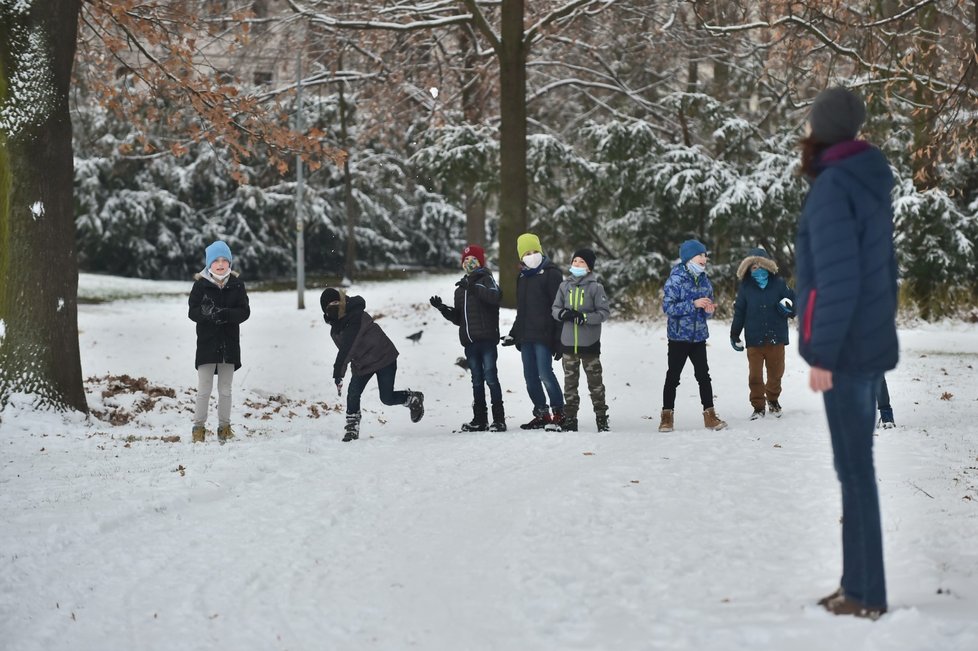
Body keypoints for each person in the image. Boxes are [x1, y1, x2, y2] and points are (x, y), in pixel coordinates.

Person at [796, 87, 899, 620]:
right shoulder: (865, 179)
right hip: (865, 343)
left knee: (855, 471)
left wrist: (824, 353)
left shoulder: (836, 186)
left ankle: (866, 594)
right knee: (856, 470)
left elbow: (837, 280)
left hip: (848, 350)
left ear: (822, 128)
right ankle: (857, 584)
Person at [321, 288, 424, 442]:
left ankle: (412, 399)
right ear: (325, 310)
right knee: (353, 393)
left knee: (387, 398)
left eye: (337, 302)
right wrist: (343, 370)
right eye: (330, 305)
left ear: (343, 302)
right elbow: (347, 352)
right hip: (362, 364)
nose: (335, 306)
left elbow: (349, 345)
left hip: (383, 357)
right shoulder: (335, 331)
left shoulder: (356, 316)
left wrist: (338, 371)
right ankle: (352, 426)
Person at [430, 244, 506, 432]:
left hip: (487, 339)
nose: (469, 263)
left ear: (480, 262)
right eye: (465, 260)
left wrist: (472, 287)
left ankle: (499, 419)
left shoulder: (487, 279)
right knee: (477, 380)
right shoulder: (460, 289)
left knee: (491, 378)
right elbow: (459, 318)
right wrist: (443, 309)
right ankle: (480, 419)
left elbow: (495, 297)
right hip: (470, 342)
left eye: (473, 260)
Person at [658, 239, 727, 432]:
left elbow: (706, 308)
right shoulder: (676, 279)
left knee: (703, 376)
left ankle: (710, 415)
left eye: (705, 255)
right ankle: (666, 416)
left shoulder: (704, 280)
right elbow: (668, 307)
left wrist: (708, 309)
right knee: (673, 377)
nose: (704, 258)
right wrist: (693, 304)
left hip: (698, 337)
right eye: (700, 255)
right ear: (689, 258)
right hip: (679, 337)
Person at [188, 240, 251, 443]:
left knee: (225, 390)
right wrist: (206, 314)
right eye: (216, 260)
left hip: (229, 346)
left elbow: (244, 311)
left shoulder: (237, 285)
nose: (221, 264)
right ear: (209, 264)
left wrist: (225, 314)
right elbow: (192, 312)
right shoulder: (200, 285)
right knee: (204, 389)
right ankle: (198, 428)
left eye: (225, 260)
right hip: (207, 345)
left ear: (230, 263)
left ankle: (224, 427)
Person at [501, 233, 565, 429]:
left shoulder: (552, 274)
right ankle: (541, 414)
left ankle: (559, 412)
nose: (532, 255)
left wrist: (559, 340)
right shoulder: (522, 277)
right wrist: (514, 333)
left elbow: (558, 308)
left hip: (544, 335)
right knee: (530, 377)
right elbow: (522, 310)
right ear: (521, 257)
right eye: (527, 253)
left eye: (534, 251)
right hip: (527, 337)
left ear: (541, 251)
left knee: (545, 373)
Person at [729, 247, 797, 419]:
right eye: (753, 267)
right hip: (754, 339)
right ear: (748, 269)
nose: (757, 270)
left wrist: (788, 308)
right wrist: (734, 334)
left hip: (777, 338)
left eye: (761, 266)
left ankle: (773, 399)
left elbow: (793, 303)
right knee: (755, 376)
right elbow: (740, 312)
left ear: (768, 267)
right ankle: (758, 405)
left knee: (776, 373)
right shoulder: (745, 288)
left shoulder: (779, 284)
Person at [551, 248, 611, 432]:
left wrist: (584, 317)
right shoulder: (564, 286)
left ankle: (601, 417)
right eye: (575, 261)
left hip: (589, 345)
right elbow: (554, 308)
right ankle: (570, 419)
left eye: (582, 262)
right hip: (568, 344)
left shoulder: (596, 287)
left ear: (589, 268)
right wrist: (562, 313)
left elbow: (604, 313)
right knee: (570, 385)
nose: (577, 264)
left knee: (595, 384)